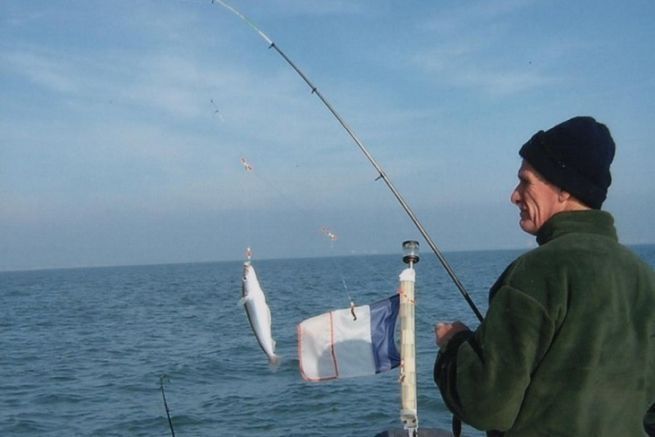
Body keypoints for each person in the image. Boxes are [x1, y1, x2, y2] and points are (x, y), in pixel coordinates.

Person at [433, 116, 655, 436]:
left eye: (525, 181)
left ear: (564, 190)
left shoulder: (537, 272)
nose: (514, 195)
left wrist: (454, 345)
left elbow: (485, 405)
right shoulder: (645, 278)